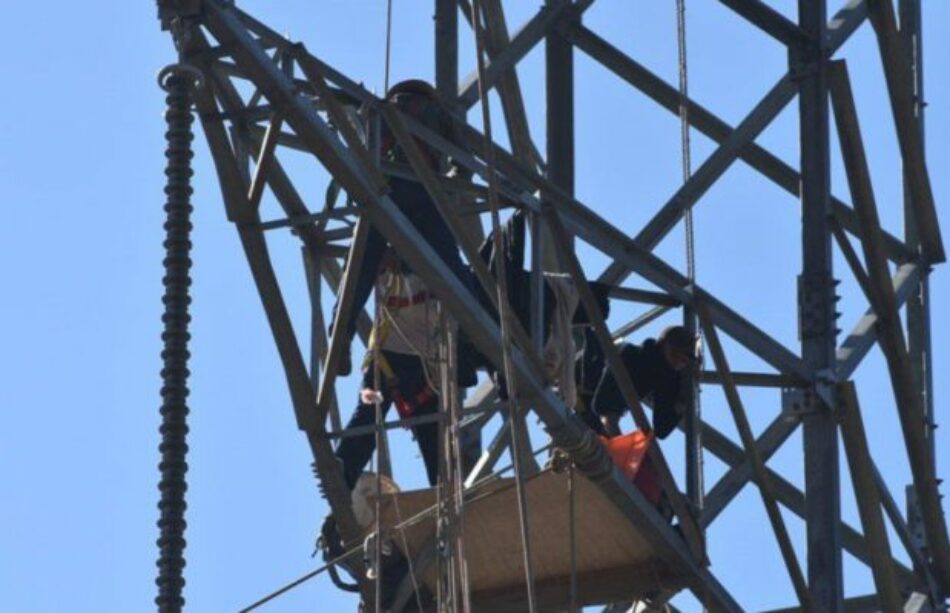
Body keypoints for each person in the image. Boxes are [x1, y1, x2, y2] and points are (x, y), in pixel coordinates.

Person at [586, 325, 699, 438]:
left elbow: (661, 429)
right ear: (664, 345)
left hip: (598, 416)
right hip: (583, 396)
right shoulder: (631, 355)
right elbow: (603, 407)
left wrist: (682, 396)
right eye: (675, 354)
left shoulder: (664, 378)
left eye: (684, 361)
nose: (679, 362)